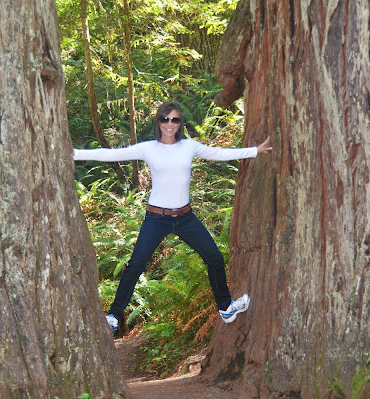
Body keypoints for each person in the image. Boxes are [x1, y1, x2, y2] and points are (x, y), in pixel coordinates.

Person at [73, 101, 272, 334]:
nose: (170, 124)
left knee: (215, 258)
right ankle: (114, 316)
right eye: (165, 119)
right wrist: (74, 153)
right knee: (136, 265)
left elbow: (219, 154)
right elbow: (110, 154)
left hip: (185, 218)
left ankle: (226, 308)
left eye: (175, 119)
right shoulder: (148, 148)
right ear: (158, 122)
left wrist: (254, 151)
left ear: (180, 123)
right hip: (156, 218)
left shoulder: (189, 146)